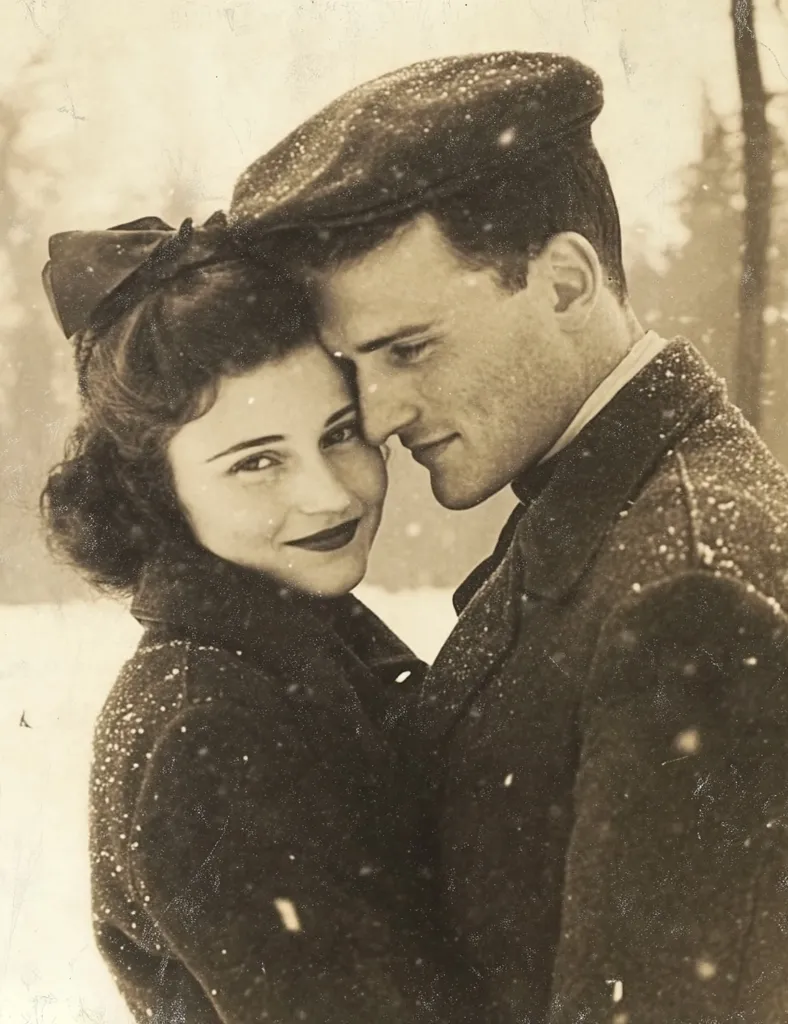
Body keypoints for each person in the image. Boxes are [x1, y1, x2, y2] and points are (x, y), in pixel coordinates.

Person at [228, 52, 788, 1023]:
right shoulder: (615, 520)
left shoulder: (687, 593)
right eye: (353, 365)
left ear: (565, 281)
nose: (379, 412)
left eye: (408, 348)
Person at [40, 215, 479, 1024]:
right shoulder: (205, 726)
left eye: (339, 434)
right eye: (257, 462)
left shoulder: (299, 643)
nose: (329, 493)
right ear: (156, 492)